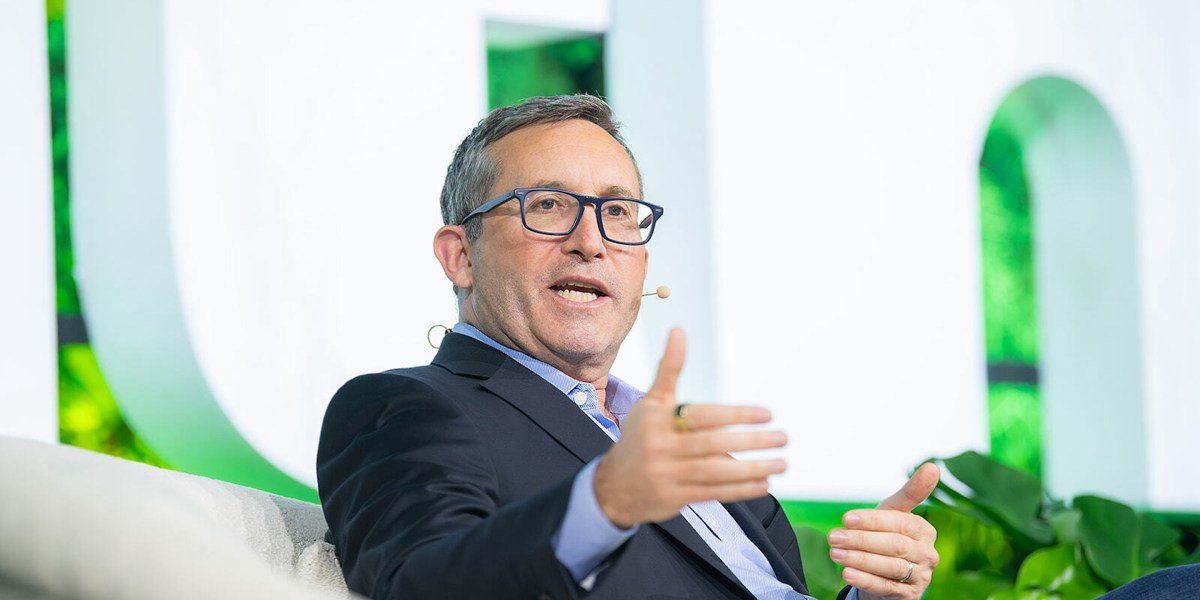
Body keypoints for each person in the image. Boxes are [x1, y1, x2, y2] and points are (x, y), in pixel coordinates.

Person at [316, 94, 941, 600]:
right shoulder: (404, 407)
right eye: (548, 205)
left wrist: (872, 595)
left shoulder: (693, 453)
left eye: (617, 212)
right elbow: (420, 588)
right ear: (460, 257)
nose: (591, 241)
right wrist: (603, 503)